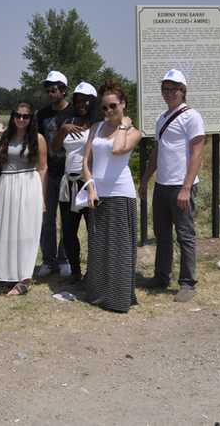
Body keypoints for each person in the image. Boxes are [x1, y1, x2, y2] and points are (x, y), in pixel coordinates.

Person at [138, 69, 205, 302]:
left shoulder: (191, 116)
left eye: (173, 89)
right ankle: (161, 276)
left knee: (185, 235)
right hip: (162, 184)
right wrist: (146, 178)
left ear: (182, 91)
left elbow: (197, 154)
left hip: (180, 185)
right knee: (162, 234)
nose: (169, 93)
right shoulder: (162, 118)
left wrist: (186, 187)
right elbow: (157, 151)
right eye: (165, 89)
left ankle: (188, 283)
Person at [82, 80, 142, 312]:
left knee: (119, 249)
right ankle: (98, 294)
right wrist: (90, 189)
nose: (109, 111)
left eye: (114, 106)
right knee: (98, 247)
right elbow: (87, 162)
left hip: (121, 194)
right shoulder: (96, 127)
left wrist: (124, 127)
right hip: (97, 194)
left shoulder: (134, 133)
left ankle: (118, 299)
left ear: (123, 104)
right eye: (105, 107)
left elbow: (117, 150)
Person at [52, 82, 105, 286]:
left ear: (93, 101)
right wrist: (63, 128)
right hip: (69, 183)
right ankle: (75, 272)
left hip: (89, 184)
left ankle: (94, 273)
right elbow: (56, 148)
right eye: (78, 100)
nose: (81, 104)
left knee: (94, 231)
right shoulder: (70, 120)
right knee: (68, 231)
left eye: (85, 100)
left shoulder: (99, 124)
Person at [0, 101, 48, 297]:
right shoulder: (6, 136)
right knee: (7, 231)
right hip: (7, 184)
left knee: (26, 231)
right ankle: (9, 276)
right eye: (17, 115)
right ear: (13, 116)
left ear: (31, 117)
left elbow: (42, 168)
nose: (21, 119)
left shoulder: (38, 138)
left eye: (25, 116)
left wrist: (42, 196)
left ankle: (24, 280)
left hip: (28, 183)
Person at [36, 71, 71, 278]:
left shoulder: (75, 111)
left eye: (53, 89)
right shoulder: (42, 115)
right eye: (47, 90)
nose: (49, 93)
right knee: (47, 219)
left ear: (63, 90)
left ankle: (64, 259)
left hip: (69, 173)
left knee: (67, 220)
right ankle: (48, 261)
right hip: (48, 173)